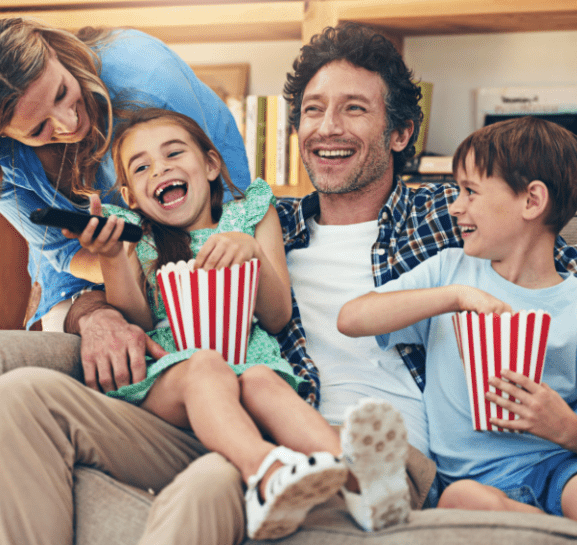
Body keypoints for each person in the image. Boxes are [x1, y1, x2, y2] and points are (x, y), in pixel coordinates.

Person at [63, 20, 577, 540]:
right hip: (282, 429)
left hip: (413, 455)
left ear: (400, 135)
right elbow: (143, 259)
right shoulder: (261, 224)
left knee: (217, 483)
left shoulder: (449, 214)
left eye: (353, 110)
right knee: (209, 478)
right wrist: (92, 307)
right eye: (312, 110)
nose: (326, 129)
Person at [337, 117, 577, 536]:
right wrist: (455, 297)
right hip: (469, 480)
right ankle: (559, 531)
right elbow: (352, 318)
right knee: (464, 502)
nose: (454, 206)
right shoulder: (449, 272)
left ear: (532, 201)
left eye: (470, 192)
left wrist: (566, 428)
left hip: (560, 466)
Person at [75, 107, 404, 540]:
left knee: (264, 381)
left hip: (246, 362)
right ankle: (266, 474)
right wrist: (113, 258)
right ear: (132, 195)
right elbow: (137, 318)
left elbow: (277, 314)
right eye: (142, 167)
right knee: (208, 367)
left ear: (211, 165)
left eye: (174, 153)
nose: (161, 169)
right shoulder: (139, 235)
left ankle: (366, 483)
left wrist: (251, 252)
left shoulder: (249, 216)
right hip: (172, 376)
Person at [0, 17, 250, 335]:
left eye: (62, 92)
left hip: (209, 228)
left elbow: (218, 214)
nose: (69, 125)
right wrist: (117, 265)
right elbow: (64, 254)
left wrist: (143, 271)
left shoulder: (147, 79)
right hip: (106, 269)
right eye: (39, 128)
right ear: (0, 134)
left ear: (51, 51)